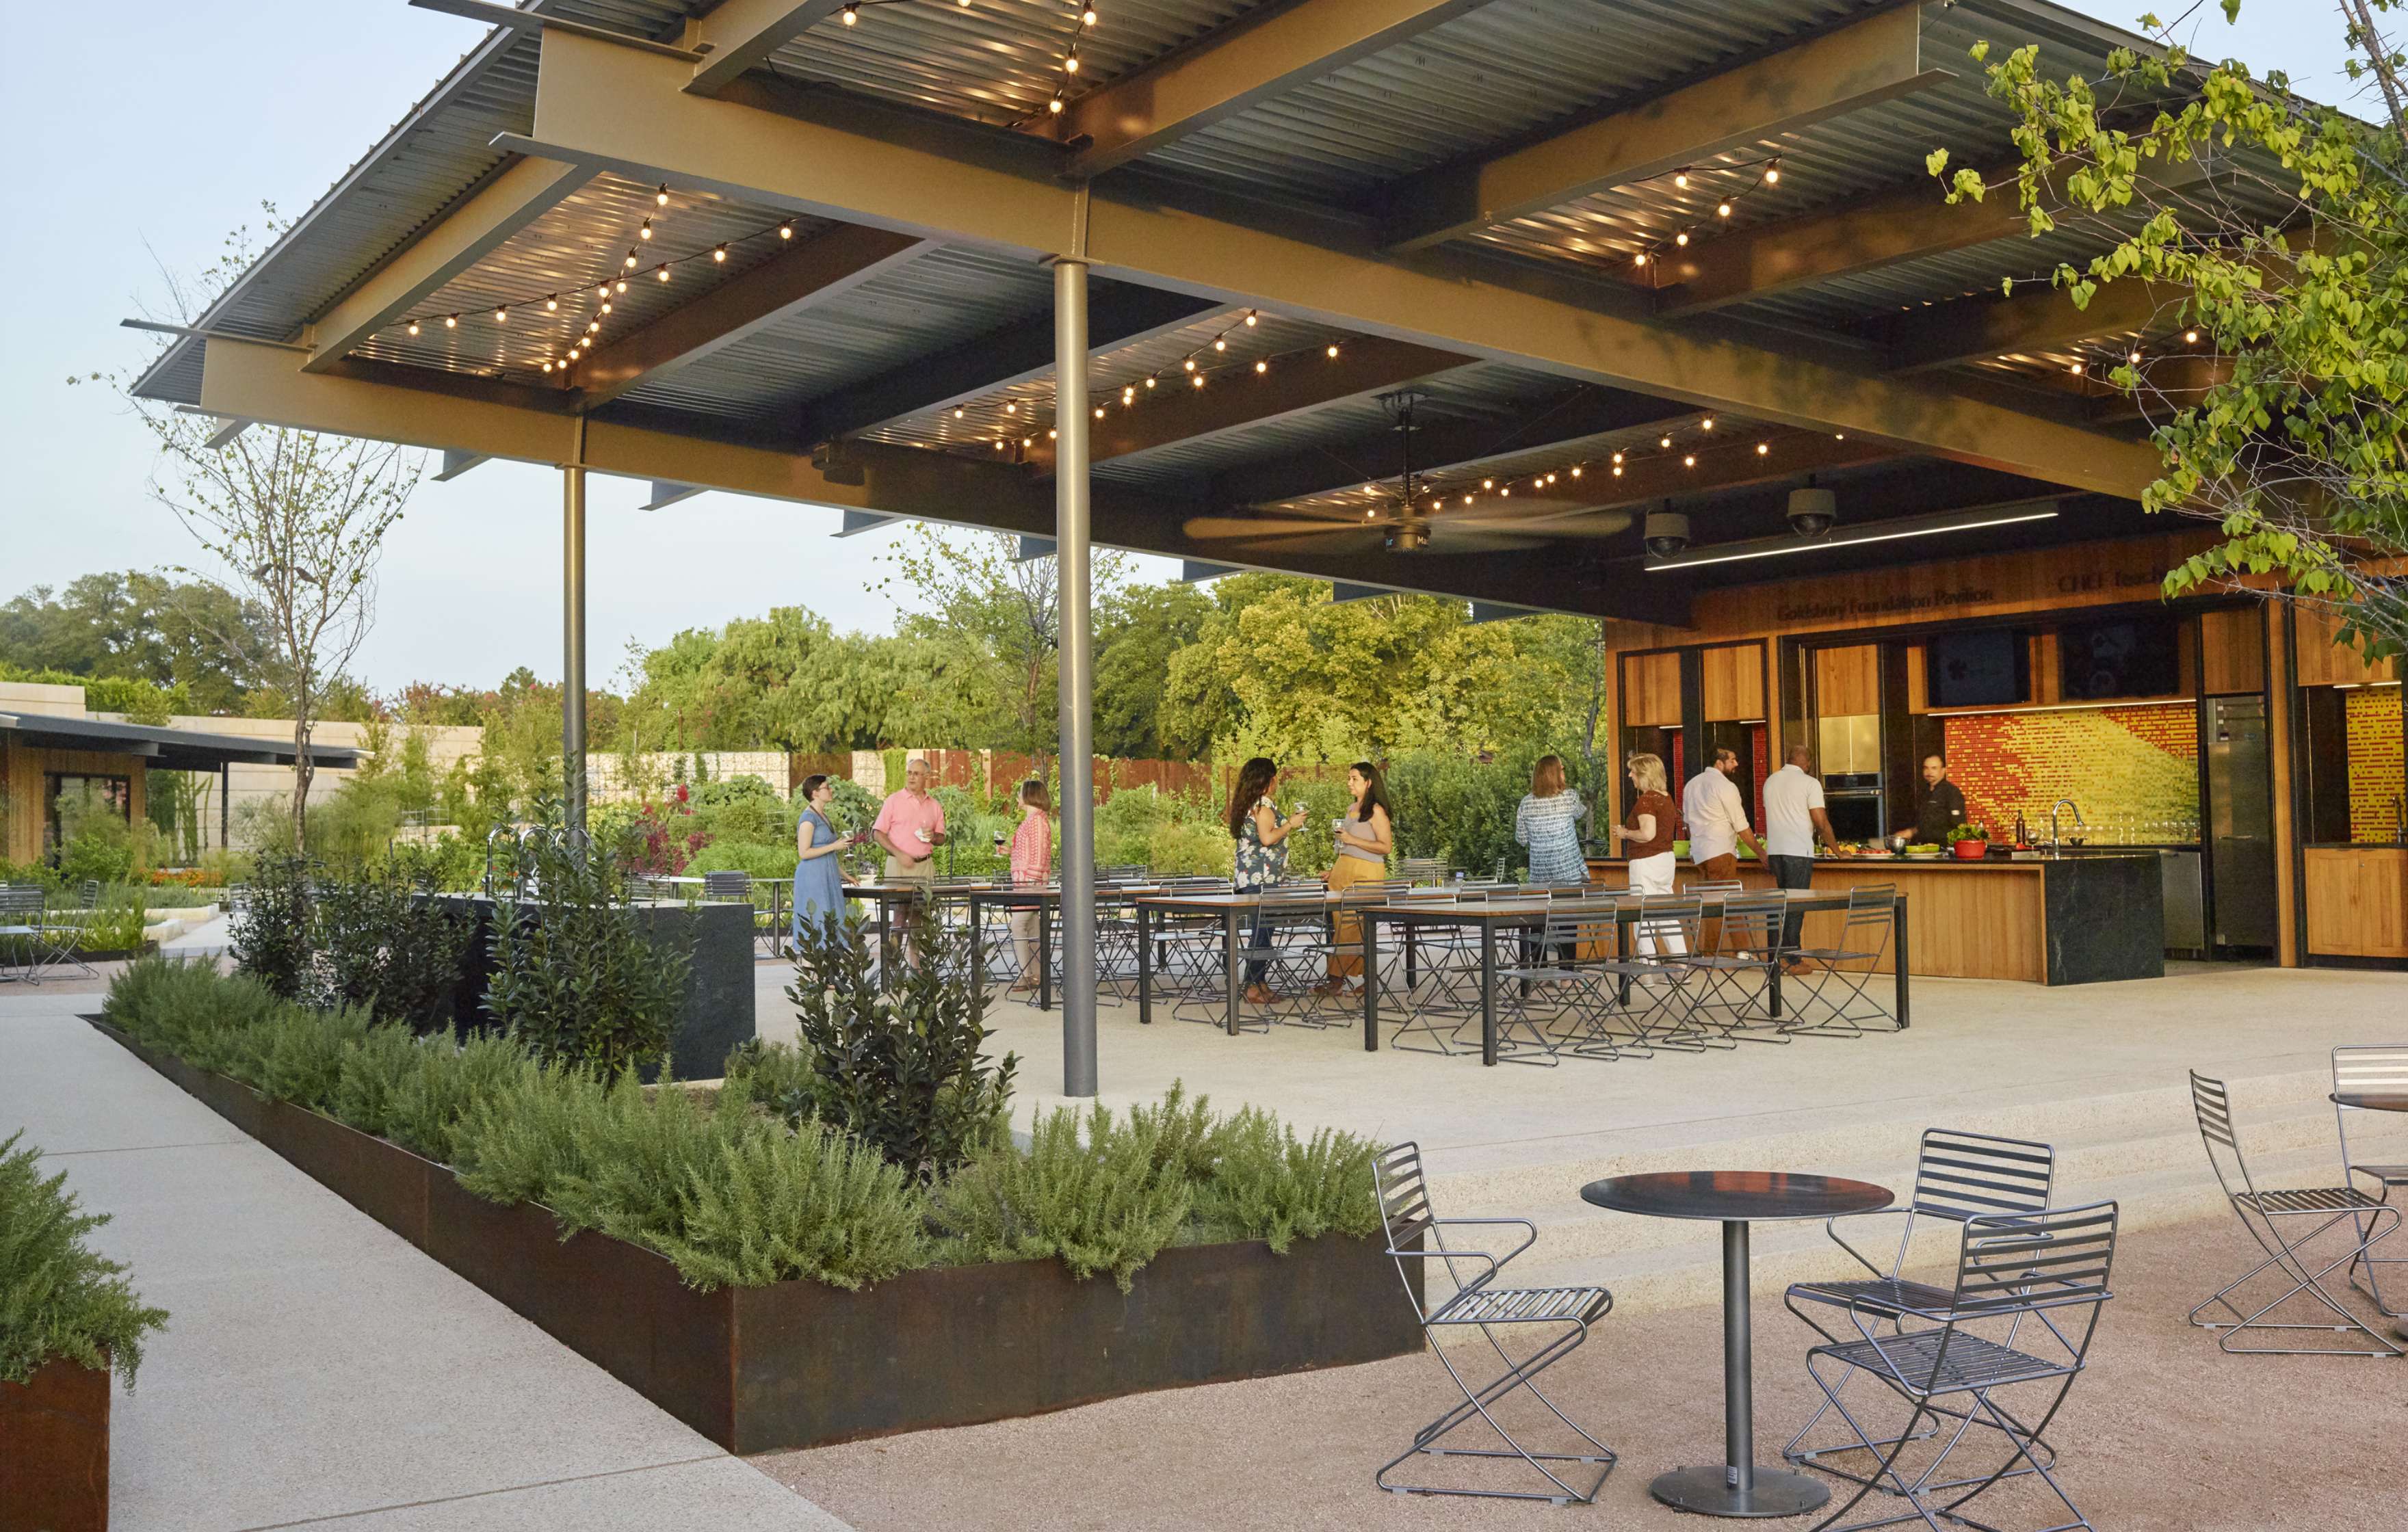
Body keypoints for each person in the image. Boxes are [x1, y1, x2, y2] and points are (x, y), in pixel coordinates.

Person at [1227, 755, 1307, 1006]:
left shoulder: (1250, 803)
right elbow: (1267, 838)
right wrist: (1291, 824)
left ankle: (1260, 983)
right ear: (1270, 780)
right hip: (1261, 879)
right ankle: (1252, 985)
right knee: (1262, 932)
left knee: (1264, 931)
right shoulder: (1263, 805)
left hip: (1253, 878)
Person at [1317, 761, 1394, 996]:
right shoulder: (1352, 808)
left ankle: (1337, 979)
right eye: (1349, 778)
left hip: (1365, 874)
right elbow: (1346, 843)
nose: (1349, 783)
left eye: (1354, 779)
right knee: (1340, 925)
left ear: (1368, 782)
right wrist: (1336, 867)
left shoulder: (1377, 811)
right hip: (1344, 872)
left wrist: (1353, 841)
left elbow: (1386, 847)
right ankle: (1354, 979)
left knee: (1354, 926)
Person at [1762, 743, 1843, 963]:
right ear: (1807, 763)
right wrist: (1838, 851)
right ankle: (1792, 960)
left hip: (1776, 852)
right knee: (1795, 907)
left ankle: (1779, 957)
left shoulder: (1770, 782)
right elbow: (1821, 822)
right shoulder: (1810, 783)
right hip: (1797, 852)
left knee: (1783, 905)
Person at [1608, 752, 1684, 955]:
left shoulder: (1646, 800)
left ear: (1644, 774)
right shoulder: (1667, 798)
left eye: (1633, 772)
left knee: (1642, 912)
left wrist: (1625, 833)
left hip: (1645, 861)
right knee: (1667, 912)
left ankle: (1648, 966)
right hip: (1666, 859)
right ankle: (1681, 963)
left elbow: (1647, 834)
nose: (1630, 776)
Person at [790, 774, 863, 949]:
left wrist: (846, 875)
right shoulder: (808, 818)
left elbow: (828, 853)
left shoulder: (823, 816)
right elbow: (804, 852)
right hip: (813, 877)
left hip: (828, 875)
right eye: (827, 788)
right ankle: (811, 973)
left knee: (832, 920)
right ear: (815, 793)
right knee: (817, 922)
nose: (831, 791)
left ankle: (827, 973)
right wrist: (834, 846)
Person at [1681, 746, 1763, 884]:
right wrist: (1762, 854)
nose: (1736, 764)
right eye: (1733, 760)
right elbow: (1741, 826)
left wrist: (1696, 845)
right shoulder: (1726, 786)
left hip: (1699, 854)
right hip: (1721, 852)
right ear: (1719, 763)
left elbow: (1688, 824)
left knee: (1706, 899)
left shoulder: (1691, 785)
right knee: (1721, 899)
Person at [1006, 778, 1052, 994]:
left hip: (1030, 885)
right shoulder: (1033, 820)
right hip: (1025, 883)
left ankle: (1026, 975)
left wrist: (1033, 882)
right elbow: (1030, 852)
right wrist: (1010, 852)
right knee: (1032, 927)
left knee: (1018, 925)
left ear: (1029, 795)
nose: (1017, 796)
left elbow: (1040, 855)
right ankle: (1036, 975)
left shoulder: (1037, 822)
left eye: (1020, 792)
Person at [1515, 754, 1590, 886]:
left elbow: (1522, 839)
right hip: (1570, 875)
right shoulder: (1570, 797)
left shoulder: (1525, 803)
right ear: (1556, 774)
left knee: (1545, 907)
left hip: (1540, 878)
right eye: (1561, 769)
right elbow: (1580, 813)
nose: (1564, 771)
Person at [1893, 753, 1969, 849]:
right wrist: (1910, 832)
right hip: (1924, 848)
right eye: (1926, 768)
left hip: (1944, 850)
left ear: (1943, 771)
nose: (1929, 772)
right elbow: (1924, 823)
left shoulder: (1952, 792)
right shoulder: (1923, 792)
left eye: (1934, 768)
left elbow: (1960, 826)